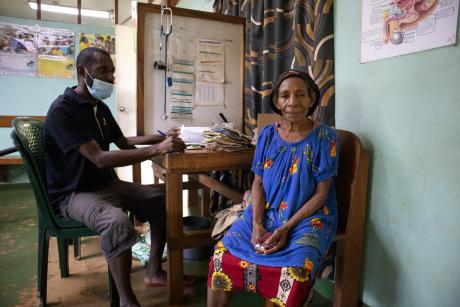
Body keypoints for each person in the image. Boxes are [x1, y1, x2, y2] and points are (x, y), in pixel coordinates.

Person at [45, 47, 187, 307]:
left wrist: (161, 137)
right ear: (81, 72)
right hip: (73, 193)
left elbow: (122, 142)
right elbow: (99, 157)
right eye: (103, 71)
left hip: (105, 184)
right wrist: (156, 149)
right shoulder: (62, 111)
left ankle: (154, 271)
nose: (110, 77)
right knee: (116, 221)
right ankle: (126, 300)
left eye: (111, 72)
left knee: (164, 199)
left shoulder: (98, 107)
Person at [207, 70, 339, 307]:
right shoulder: (268, 134)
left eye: (300, 95)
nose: (293, 102)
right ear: (277, 102)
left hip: (307, 218)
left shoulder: (324, 137)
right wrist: (257, 223)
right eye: (285, 95)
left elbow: (322, 194)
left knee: (294, 271)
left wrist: (287, 228)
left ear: (311, 99)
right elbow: (258, 183)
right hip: (266, 212)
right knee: (220, 258)